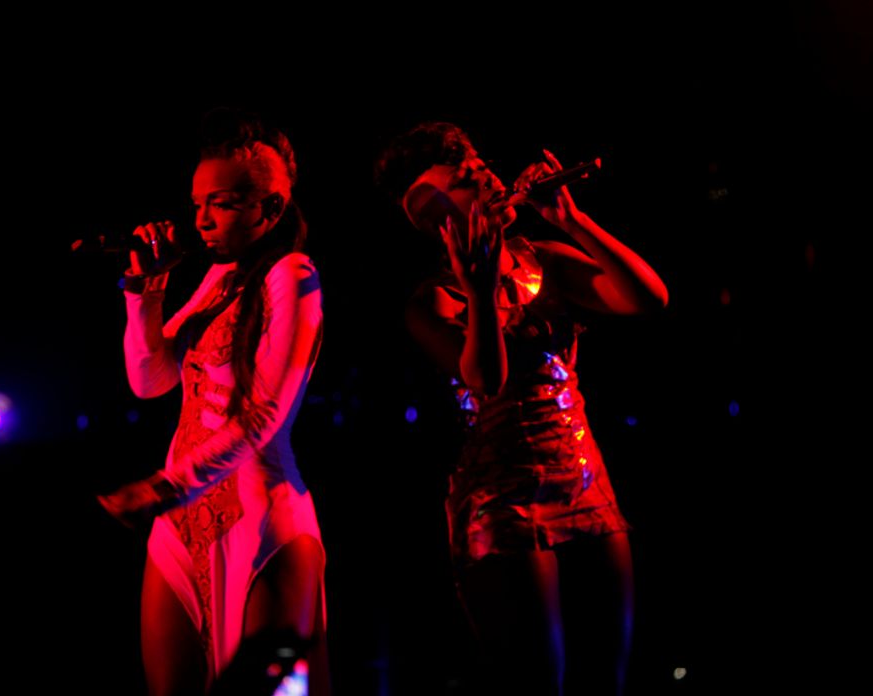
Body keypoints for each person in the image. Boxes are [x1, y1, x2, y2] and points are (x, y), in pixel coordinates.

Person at [374, 122, 669, 695]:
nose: (490, 177)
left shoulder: (543, 258)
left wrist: (570, 220)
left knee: (608, 677)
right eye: (468, 178)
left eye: (483, 166)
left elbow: (648, 298)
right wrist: (480, 290)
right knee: (538, 682)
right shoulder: (432, 301)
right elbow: (488, 379)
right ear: (435, 218)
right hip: (501, 503)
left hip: (584, 483)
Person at [98, 108, 330, 696]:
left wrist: (166, 487)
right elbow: (150, 380)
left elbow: (265, 413)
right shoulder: (217, 279)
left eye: (220, 204)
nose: (200, 219)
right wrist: (144, 292)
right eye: (197, 203)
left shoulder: (293, 275)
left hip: (260, 519)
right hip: (179, 522)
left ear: (269, 208)